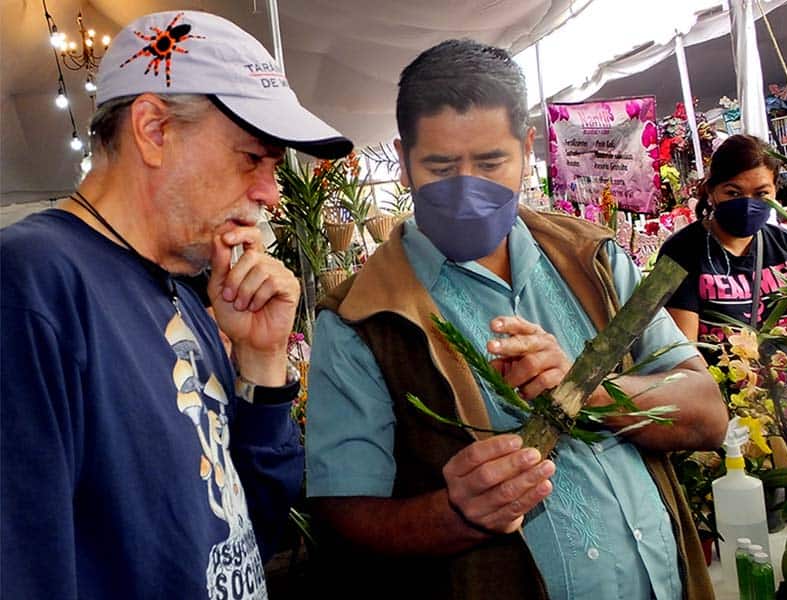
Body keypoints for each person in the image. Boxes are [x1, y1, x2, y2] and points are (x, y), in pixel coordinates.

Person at [304, 39, 727, 599]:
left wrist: (586, 391)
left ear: (526, 149)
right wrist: (456, 513)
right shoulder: (362, 320)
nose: (467, 188)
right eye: (441, 166)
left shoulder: (592, 259)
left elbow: (706, 412)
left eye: (489, 163)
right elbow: (346, 519)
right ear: (404, 162)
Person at [0, 10, 352, 599]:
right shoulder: (31, 284)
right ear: (154, 129)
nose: (270, 191)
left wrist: (261, 361)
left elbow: (247, 535)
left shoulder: (182, 294)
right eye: (253, 158)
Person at [658, 134, 787, 346]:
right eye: (733, 193)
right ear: (711, 190)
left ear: (775, 190)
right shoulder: (680, 251)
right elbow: (686, 351)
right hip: (715, 378)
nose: (748, 204)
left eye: (761, 193)